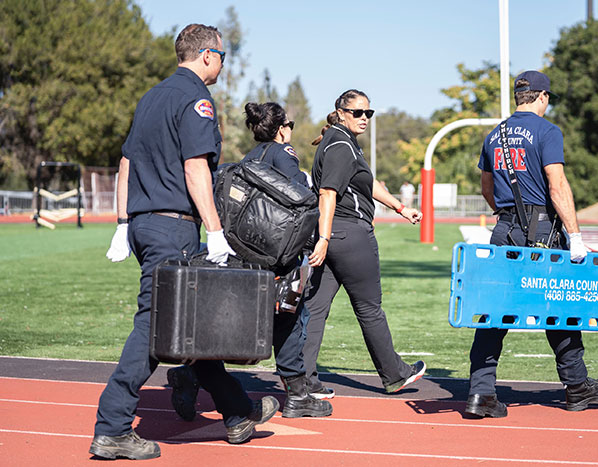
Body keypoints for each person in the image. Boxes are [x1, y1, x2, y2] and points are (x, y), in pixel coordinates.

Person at [91, 24, 278, 460]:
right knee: (156, 326)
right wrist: (215, 231)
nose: (223, 66)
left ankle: (236, 411)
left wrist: (123, 222)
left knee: (192, 319)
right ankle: (113, 426)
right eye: (224, 57)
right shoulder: (197, 100)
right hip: (172, 226)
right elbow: (197, 169)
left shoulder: (152, 96)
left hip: (144, 223)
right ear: (209, 55)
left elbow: (126, 162)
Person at [466, 70, 598, 419]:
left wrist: (505, 215)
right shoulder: (547, 132)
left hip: (504, 231)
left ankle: (481, 392)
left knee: (494, 310)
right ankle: (577, 386)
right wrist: (575, 235)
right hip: (542, 231)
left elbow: (487, 187)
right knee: (558, 305)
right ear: (543, 97)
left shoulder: (494, 135)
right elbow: (557, 183)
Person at [167, 101, 332, 420]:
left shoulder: (248, 158)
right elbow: (301, 196)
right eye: (290, 126)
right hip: (275, 252)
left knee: (234, 324)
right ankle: (297, 395)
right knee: (290, 321)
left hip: (243, 250)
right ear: (282, 128)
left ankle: (189, 375)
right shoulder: (283, 154)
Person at [302, 89, 426, 397]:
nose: (364, 118)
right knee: (369, 308)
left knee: (315, 308)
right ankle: (395, 374)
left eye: (368, 113)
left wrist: (400, 208)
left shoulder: (341, 141)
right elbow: (327, 193)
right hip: (349, 237)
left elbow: (368, 182)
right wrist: (325, 237)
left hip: (335, 236)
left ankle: (301, 380)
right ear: (341, 112)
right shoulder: (342, 145)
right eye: (357, 112)